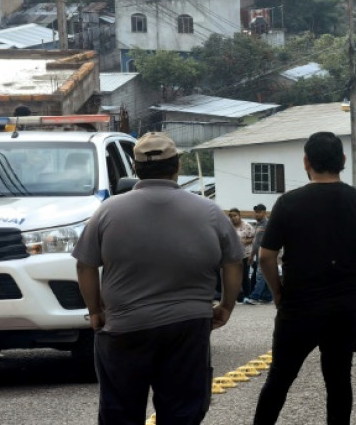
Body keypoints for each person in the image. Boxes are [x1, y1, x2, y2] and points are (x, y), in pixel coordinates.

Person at [73, 131, 244, 425]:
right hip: (188, 326)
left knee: (120, 413)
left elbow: (85, 265)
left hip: (125, 327)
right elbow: (234, 262)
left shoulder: (107, 211)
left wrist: (95, 311)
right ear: (177, 165)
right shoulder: (210, 211)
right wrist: (226, 305)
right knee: (182, 413)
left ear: (135, 168)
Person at [252, 131, 356, 425]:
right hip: (343, 308)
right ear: (342, 161)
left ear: (306, 163)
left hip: (298, 308)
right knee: (338, 381)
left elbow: (265, 256)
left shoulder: (288, 203)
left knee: (279, 379)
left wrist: (277, 293)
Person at [244, 203, 274, 304]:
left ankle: (254, 297)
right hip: (259, 254)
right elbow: (256, 243)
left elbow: (263, 242)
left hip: (266, 254)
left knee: (261, 275)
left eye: (259, 212)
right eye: (255, 212)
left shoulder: (267, 224)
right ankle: (267, 296)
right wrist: (252, 255)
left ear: (264, 212)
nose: (256, 215)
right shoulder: (259, 225)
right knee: (264, 275)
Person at [227, 207, 255, 303]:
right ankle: (234, 296)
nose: (233, 218)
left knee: (244, 276)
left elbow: (253, 239)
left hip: (244, 255)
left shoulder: (247, 226)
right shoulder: (228, 226)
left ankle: (246, 296)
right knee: (231, 276)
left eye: (235, 215)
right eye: (231, 216)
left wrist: (244, 241)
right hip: (231, 256)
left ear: (239, 216)